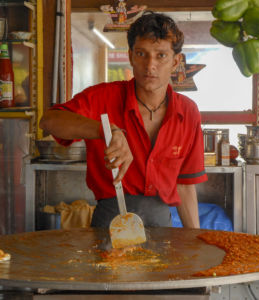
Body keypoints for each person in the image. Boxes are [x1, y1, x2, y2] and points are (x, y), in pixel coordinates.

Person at [40, 12, 207, 229]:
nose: (150, 65)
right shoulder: (103, 97)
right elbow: (49, 120)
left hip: (162, 223)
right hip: (109, 220)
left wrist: (195, 240)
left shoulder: (188, 112)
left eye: (161, 56)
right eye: (142, 54)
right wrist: (105, 130)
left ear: (176, 62)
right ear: (130, 57)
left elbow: (185, 185)